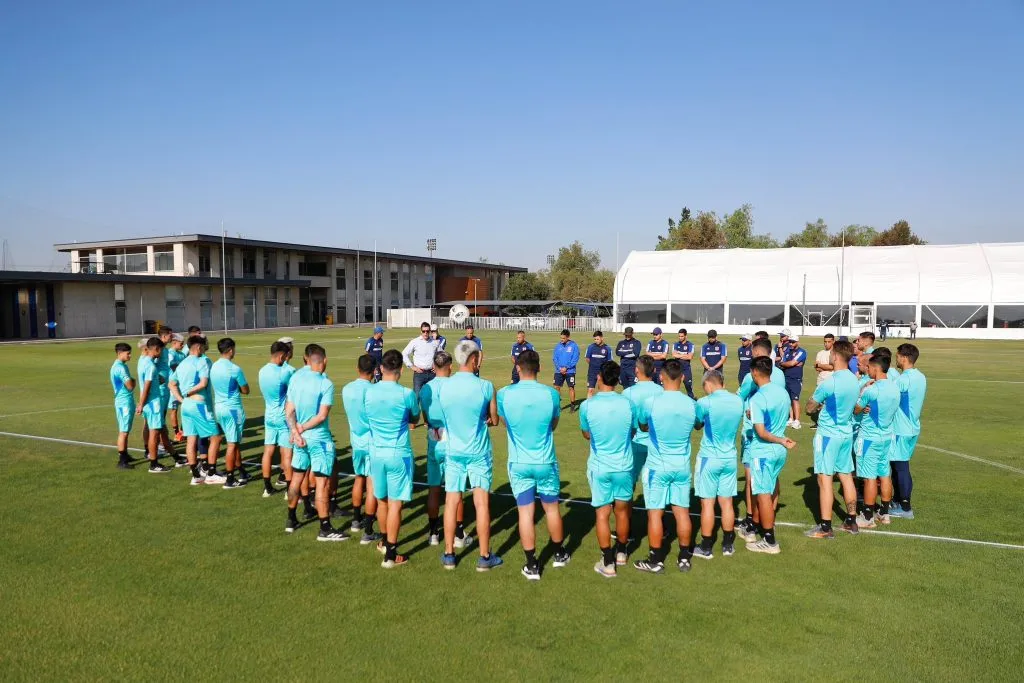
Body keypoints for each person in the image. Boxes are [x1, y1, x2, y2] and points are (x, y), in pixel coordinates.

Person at [498, 349, 570, 580]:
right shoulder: (551, 394)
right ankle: (559, 553)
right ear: (539, 368)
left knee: (525, 513)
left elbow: (504, 422)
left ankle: (532, 564)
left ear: (518, 368)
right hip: (545, 460)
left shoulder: (504, 394)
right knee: (551, 508)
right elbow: (554, 424)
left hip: (519, 462)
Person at [438, 341, 503, 572]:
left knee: (451, 501)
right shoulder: (485, 386)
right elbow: (494, 419)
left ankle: (448, 554)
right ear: (474, 359)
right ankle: (485, 556)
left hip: (454, 450)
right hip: (478, 451)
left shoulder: (444, 387)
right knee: (481, 502)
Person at [633, 359, 698, 574]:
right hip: (681, 465)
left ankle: (656, 559)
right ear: (683, 378)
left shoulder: (651, 402)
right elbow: (698, 424)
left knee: (655, 513)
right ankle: (684, 558)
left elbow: (642, 425)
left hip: (657, 466)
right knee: (682, 512)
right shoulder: (691, 403)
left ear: (661, 376)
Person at [285, 343, 348, 542]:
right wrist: (301, 429)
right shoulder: (325, 383)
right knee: (322, 483)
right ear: (325, 361)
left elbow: (289, 410)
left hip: (299, 439)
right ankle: (325, 527)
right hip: (319, 439)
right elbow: (322, 416)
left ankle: (291, 519)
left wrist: (294, 431)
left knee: (297, 477)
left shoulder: (296, 378)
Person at [363, 350, 420, 565]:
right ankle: (390, 554)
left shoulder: (369, 392)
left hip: (376, 452)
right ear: (401, 370)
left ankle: (385, 543)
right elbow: (414, 417)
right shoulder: (406, 394)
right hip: (398, 453)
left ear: (380, 369)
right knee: (395, 503)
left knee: (382, 500)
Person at [579, 361, 634, 578]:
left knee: (602, 514)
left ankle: (608, 561)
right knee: (622, 511)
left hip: (600, 466)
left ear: (600, 377)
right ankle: (621, 552)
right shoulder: (627, 403)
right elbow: (632, 430)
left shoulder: (588, 405)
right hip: (623, 465)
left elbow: (586, 433)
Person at [803, 339, 861, 539]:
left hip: (828, 435)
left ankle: (826, 527)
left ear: (835, 356)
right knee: (846, 475)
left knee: (824, 479)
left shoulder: (831, 382)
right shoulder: (854, 379)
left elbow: (809, 407)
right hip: (846, 433)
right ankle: (851, 520)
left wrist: (816, 406)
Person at [419, 351, 471, 549]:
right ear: (449, 366)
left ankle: (433, 532)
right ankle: (458, 533)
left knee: (433, 489)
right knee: (455, 489)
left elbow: (424, 416)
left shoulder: (425, 389)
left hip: (434, 438)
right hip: (452, 439)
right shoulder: (454, 386)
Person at [736, 338, 787, 541]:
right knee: (771, 479)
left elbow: (740, 397)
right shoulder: (781, 377)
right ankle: (767, 517)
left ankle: (753, 522)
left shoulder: (753, 379)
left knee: (754, 482)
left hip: (756, 435)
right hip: (778, 438)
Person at [745, 357, 796, 554]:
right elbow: (784, 415)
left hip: (764, 450)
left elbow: (761, 432)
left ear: (754, 373)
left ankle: (769, 540)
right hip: (778, 452)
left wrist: (780, 440)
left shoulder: (758, 397)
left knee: (763, 494)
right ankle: (764, 526)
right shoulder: (782, 392)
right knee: (771, 487)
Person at [692, 370, 744, 560]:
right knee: (727, 502)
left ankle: (706, 547)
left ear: (708, 384)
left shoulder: (704, 402)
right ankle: (728, 544)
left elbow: (697, 424)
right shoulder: (738, 401)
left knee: (707, 504)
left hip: (709, 458)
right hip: (729, 457)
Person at [853, 353, 900, 528]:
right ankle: (884, 513)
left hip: (869, 438)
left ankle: (867, 516)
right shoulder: (895, 387)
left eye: (870, 368)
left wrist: (863, 389)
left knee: (869, 477)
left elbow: (856, 409)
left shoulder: (872, 389)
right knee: (884, 474)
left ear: (875, 368)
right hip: (887, 436)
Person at [340, 354, 382, 544]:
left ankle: (356, 520)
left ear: (357, 369)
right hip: (372, 441)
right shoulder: (374, 391)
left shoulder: (347, 389)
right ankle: (368, 529)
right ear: (374, 370)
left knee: (359, 479)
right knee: (371, 484)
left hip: (356, 441)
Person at [168, 335, 221, 486]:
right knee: (216, 437)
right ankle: (211, 473)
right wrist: (188, 392)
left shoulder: (183, 363)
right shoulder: (202, 361)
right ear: (198, 347)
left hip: (186, 407)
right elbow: (204, 383)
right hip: (199, 405)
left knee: (191, 439)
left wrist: (181, 399)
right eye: (203, 346)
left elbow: (171, 384)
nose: (204, 348)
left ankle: (196, 475)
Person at [890, 343, 927, 520]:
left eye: (897, 356)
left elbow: (889, 398)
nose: (896, 359)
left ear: (904, 357)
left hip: (901, 429)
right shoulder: (921, 377)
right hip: (912, 427)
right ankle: (898, 501)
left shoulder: (903, 379)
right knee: (900, 466)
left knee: (900, 467)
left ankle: (905, 507)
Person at [210, 337, 250, 489]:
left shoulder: (214, 366)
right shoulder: (234, 369)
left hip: (219, 408)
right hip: (233, 409)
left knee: (234, 441)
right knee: (232, 444)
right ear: (231, 350)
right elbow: (245, 389)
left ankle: (242, 471)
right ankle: (230, 479)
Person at [258, 341, 295, 497]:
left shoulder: (262, 371)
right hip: (283, 417)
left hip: (269, 416)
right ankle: (289, 491)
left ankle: (267, 488)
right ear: (281, 355)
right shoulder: (286, 372)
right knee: (287, 454)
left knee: (268, 451)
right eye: (285, 356)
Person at [621, 355, 663, 486]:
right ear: (654, 370)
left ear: (636, 370)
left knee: (628, 485)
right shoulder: (662, 391)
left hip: (634, 443)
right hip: (657, 445)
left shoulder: (627, 393)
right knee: (656, 485)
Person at [136, 337, 172, 473]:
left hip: (148, 404)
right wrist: (141, 403)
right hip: (153, 403)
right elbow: (147, 386)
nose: (162, 353)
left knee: (155, 431)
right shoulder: (151, 366)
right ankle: (154, 464)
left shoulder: (143, 361)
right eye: (161, 350)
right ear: (156, 349)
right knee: (154, 433)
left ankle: (158, 459)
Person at [110, 342, 136, 469]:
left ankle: (125, 454)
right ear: (119, 353)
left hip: (123, 401)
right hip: (124, 402)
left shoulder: (117, 366)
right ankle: (122, 460)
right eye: (128, 353)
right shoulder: (120, 368)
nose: (130, 355)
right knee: (124, 431)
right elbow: (130, 385)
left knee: (125, 429)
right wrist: (133, 382)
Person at [401, 321, 439, 395]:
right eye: (423, 331)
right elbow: (404, 354)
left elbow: (441, 354)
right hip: (419, 374)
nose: (425, 333)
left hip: (432, 373)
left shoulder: (435, 342)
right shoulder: (415, 342)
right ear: (420, 331)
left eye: (427, 331)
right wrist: (412, 366)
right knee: (417, 396)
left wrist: (437, 365)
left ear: (430, 331)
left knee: (432, 396)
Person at [780, 335, 807, 429]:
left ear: (797, 342)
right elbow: (782, 363)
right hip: (786, 378)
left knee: (795, 399)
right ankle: (791, 418)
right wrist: (790, 364)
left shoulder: (801, 352)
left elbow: (791, 363)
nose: (791, 344)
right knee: (788, 399)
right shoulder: (787, 351)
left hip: (796, 379)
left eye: (793, 342)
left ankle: (797, 420)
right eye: (790, 342)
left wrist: (789, 364)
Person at [811, 334, 836, 429]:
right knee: (819, 403)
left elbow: (832, 367)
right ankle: (819, 423)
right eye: (825, 341)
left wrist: (821, 366)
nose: (826, 344)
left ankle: (829, 423)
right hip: (820, 382)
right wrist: (825, 367)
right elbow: (817, 367)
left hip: (830, 382)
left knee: (829, 403)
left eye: (829, 341)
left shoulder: (834, 353)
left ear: (833, 341)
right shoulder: (820, 353)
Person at [552, 328, 581, 412]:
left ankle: (572, 405)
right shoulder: (558, 345)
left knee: (571, 387)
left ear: (568, 337)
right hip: (559, 371)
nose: (562, 340)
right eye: (561, 338)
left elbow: (575, 358)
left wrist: (566, 367)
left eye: (563, 338)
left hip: (570, 371)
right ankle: (558, 406)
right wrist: (559, 368)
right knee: (556, 387)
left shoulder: (574, 346)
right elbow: (555, 358)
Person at [167, 333, 186, 441]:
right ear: (174, 343)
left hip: (183, 386)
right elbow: (173, 367)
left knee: (184, 408)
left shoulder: (182, 355)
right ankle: (176, 433)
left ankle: (184, 430)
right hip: (173, 387)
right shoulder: (170, 354)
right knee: (174, 410)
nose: (183, 345)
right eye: (181, 343)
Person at [585, 331, 611, 399]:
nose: (596, 341)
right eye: (595, 339)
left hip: (602, 373)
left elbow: (609, 361)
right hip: (592, 372)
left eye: (597, 339)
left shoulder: (607, 348)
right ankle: (589, 406)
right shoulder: (591, 347)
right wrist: (593, 365)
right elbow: (587, 358)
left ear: (602, 338)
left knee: (601, 391)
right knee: (590, 390)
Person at [672, 328, 696, 399]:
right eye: (679, 336)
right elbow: (674, 355)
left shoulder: (690, 345)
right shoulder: (675, 344)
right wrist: (685, 355)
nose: (680, 338)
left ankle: (692, 401)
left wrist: (679, 355)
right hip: (677, 369)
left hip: (686, 370)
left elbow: (690, 357)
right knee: (674, 388)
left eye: (682, 336)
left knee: (688, 387)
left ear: (686, 336)